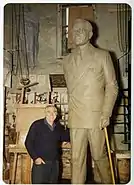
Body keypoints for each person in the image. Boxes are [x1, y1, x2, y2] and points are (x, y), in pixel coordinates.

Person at [63, 19, 118, 184]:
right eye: (74, 30)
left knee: (99, 156)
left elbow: (112, 86)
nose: (77, 33)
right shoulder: (66, 60)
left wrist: (106, 112)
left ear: (90, 34)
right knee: (76, 159)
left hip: (96, 116)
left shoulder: (102, 56)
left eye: (81, 30)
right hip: (76, 115)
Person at [25, 104, 70, 184]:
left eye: (54, 112)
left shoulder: (58, 127)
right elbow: (28, 142)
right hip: (41, 163)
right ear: (45, 113)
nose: (52, 114)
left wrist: (74, 127)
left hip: (54, 164)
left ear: (57, 114)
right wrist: (35, 158)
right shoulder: (37, 125)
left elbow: (66, 137)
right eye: (49, 112)